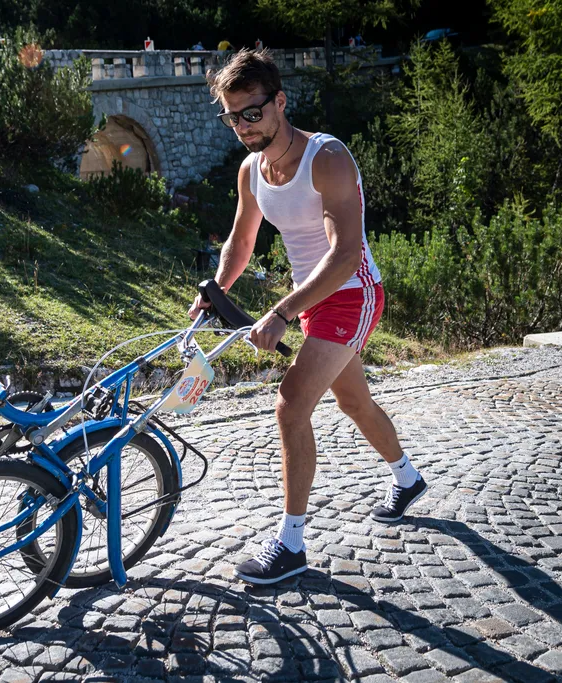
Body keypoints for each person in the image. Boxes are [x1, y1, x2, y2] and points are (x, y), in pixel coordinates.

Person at [193, 49, 428, 585]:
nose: (242, 127)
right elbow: (241, 240)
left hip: (352, 292)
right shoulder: (251, 171)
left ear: (279, 102)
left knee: (291, 404)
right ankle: (407, 477)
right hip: (309, 299)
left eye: (252, 112)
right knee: (352, 399)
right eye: (231, 117)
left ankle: (292, 543)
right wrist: (217, 290)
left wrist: (280, 311)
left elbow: (345, 254)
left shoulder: (328, 158)